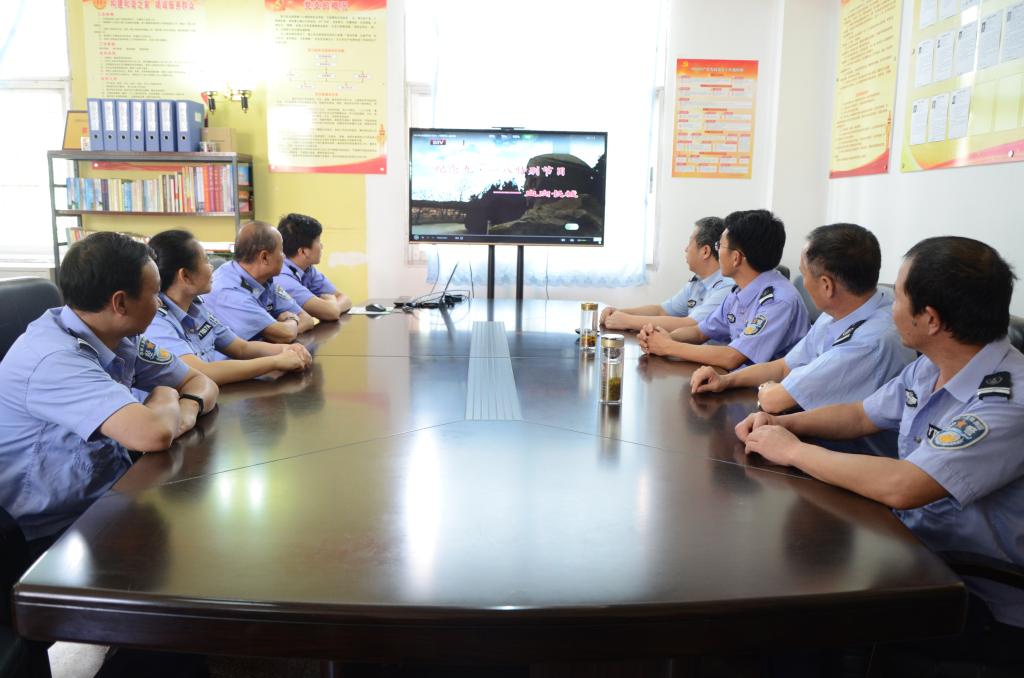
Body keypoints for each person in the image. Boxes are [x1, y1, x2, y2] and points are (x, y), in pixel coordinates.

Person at [737, 236, 1024, 656]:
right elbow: (860, 415)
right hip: (910, 546)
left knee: (791, 610)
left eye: (899, 297)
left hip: (971, 591)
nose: (890, 308)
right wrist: (782, 424)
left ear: (930, 319)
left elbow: (905, 485)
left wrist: (793, 451)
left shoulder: (1008, 400)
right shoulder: (931, 367)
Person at [0, 232, 219, 543]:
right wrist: (167, 393)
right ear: (120, 303)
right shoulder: (55, 359)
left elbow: (201, 382)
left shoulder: (121, 337)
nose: (159, 303)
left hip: (112, 491)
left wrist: (189, 406)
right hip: (54, 527)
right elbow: (153, 433)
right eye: (155, 293)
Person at [690, 223, 915, 414]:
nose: (802, 284)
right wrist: (725, 380)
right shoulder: (843, 309)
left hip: (843, 447)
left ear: (826, 286)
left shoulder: (867, 343)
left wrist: (769, 388)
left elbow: (775, 400)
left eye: (804, 274)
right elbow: (784, 367)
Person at [639, 209, 809, 370]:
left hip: (769, 388)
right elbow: (700, 332)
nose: (717, 251)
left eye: (719, 245)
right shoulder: (739, 291)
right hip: (736, 380)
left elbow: (732, 357)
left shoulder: (778, 301)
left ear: (736, 258)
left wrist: (668, 346)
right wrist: (661, 337)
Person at [146, 229, 313, 385]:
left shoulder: (196, 307)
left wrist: (289, 349)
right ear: (185, 276)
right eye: (205, 260)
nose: (211, 267)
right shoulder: (155, 322)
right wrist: (276, 361)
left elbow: (241, 348)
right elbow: (201, 372)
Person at [601, 216, 732, 331]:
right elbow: (662, 311)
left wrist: (628, 321)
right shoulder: (697, 281)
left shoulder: (727, 287)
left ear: (705, 251)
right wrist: (618, 313)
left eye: (690, 243)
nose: (686, 249)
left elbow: (691, 325)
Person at [207, 220, 316, 343]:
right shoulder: (229, 292)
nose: (284, 257)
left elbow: (307, 319)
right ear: (264, 257)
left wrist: (285, 329)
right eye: (281, 251)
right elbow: (286, 334)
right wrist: (292, 319)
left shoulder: (265, 280)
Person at [277, 213, 352, 321]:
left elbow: (345, 299)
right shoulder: (282, 278)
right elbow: (330, 313)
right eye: (318, 241)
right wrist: (331, 301)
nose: (321, 246)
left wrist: (333, 307)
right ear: (303, 252)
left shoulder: (307, 270)